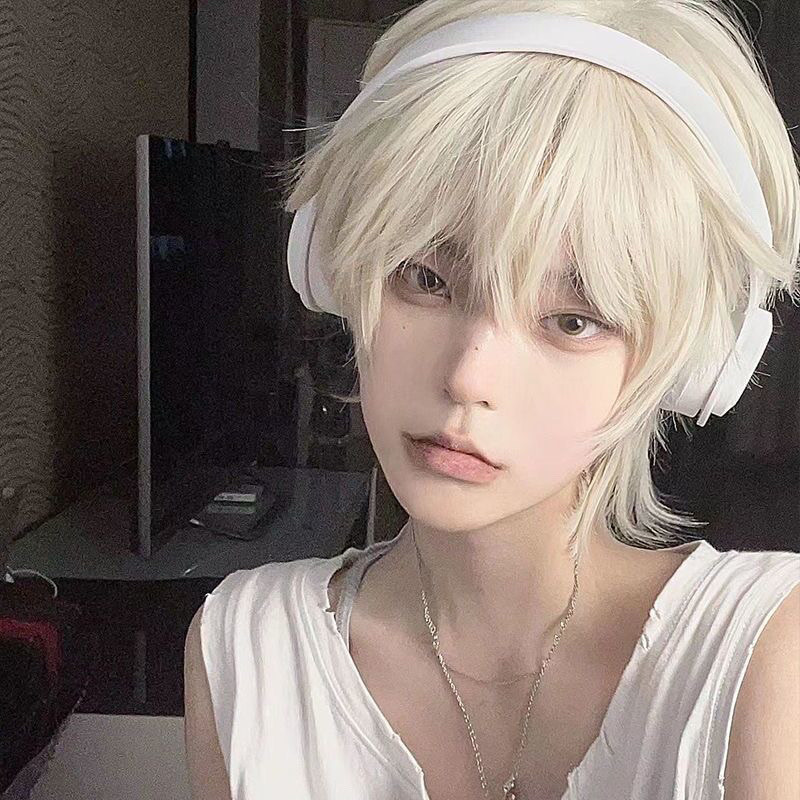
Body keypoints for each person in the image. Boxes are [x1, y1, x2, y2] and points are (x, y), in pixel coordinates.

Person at [183, 1, 800, 798]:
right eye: (426, 278)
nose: (468, 377)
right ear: (332, 271)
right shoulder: (244, 653)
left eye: (572, 320)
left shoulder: (766, 653)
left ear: (689, 364)